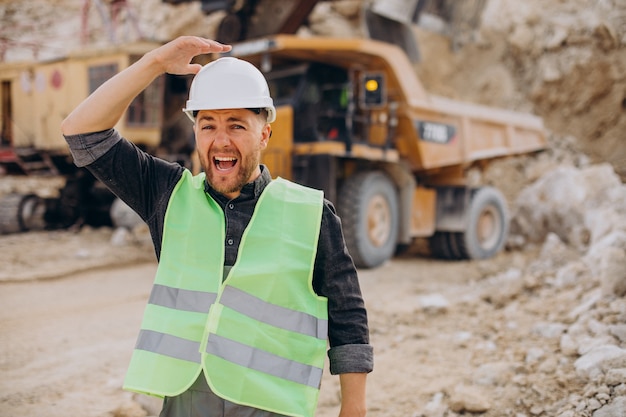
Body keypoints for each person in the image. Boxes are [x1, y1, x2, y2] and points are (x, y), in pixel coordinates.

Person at [61, 36, 373, 417]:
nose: (221, 140)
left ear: (264, 133)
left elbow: (347, 316)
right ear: (195, 132)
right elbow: (82, 133)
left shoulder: (311, 213)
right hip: (187, 403)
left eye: (236, 125)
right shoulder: (168, 196)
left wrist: (353, 408)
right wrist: (154, 63)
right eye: (208, 125)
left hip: (272, 406)